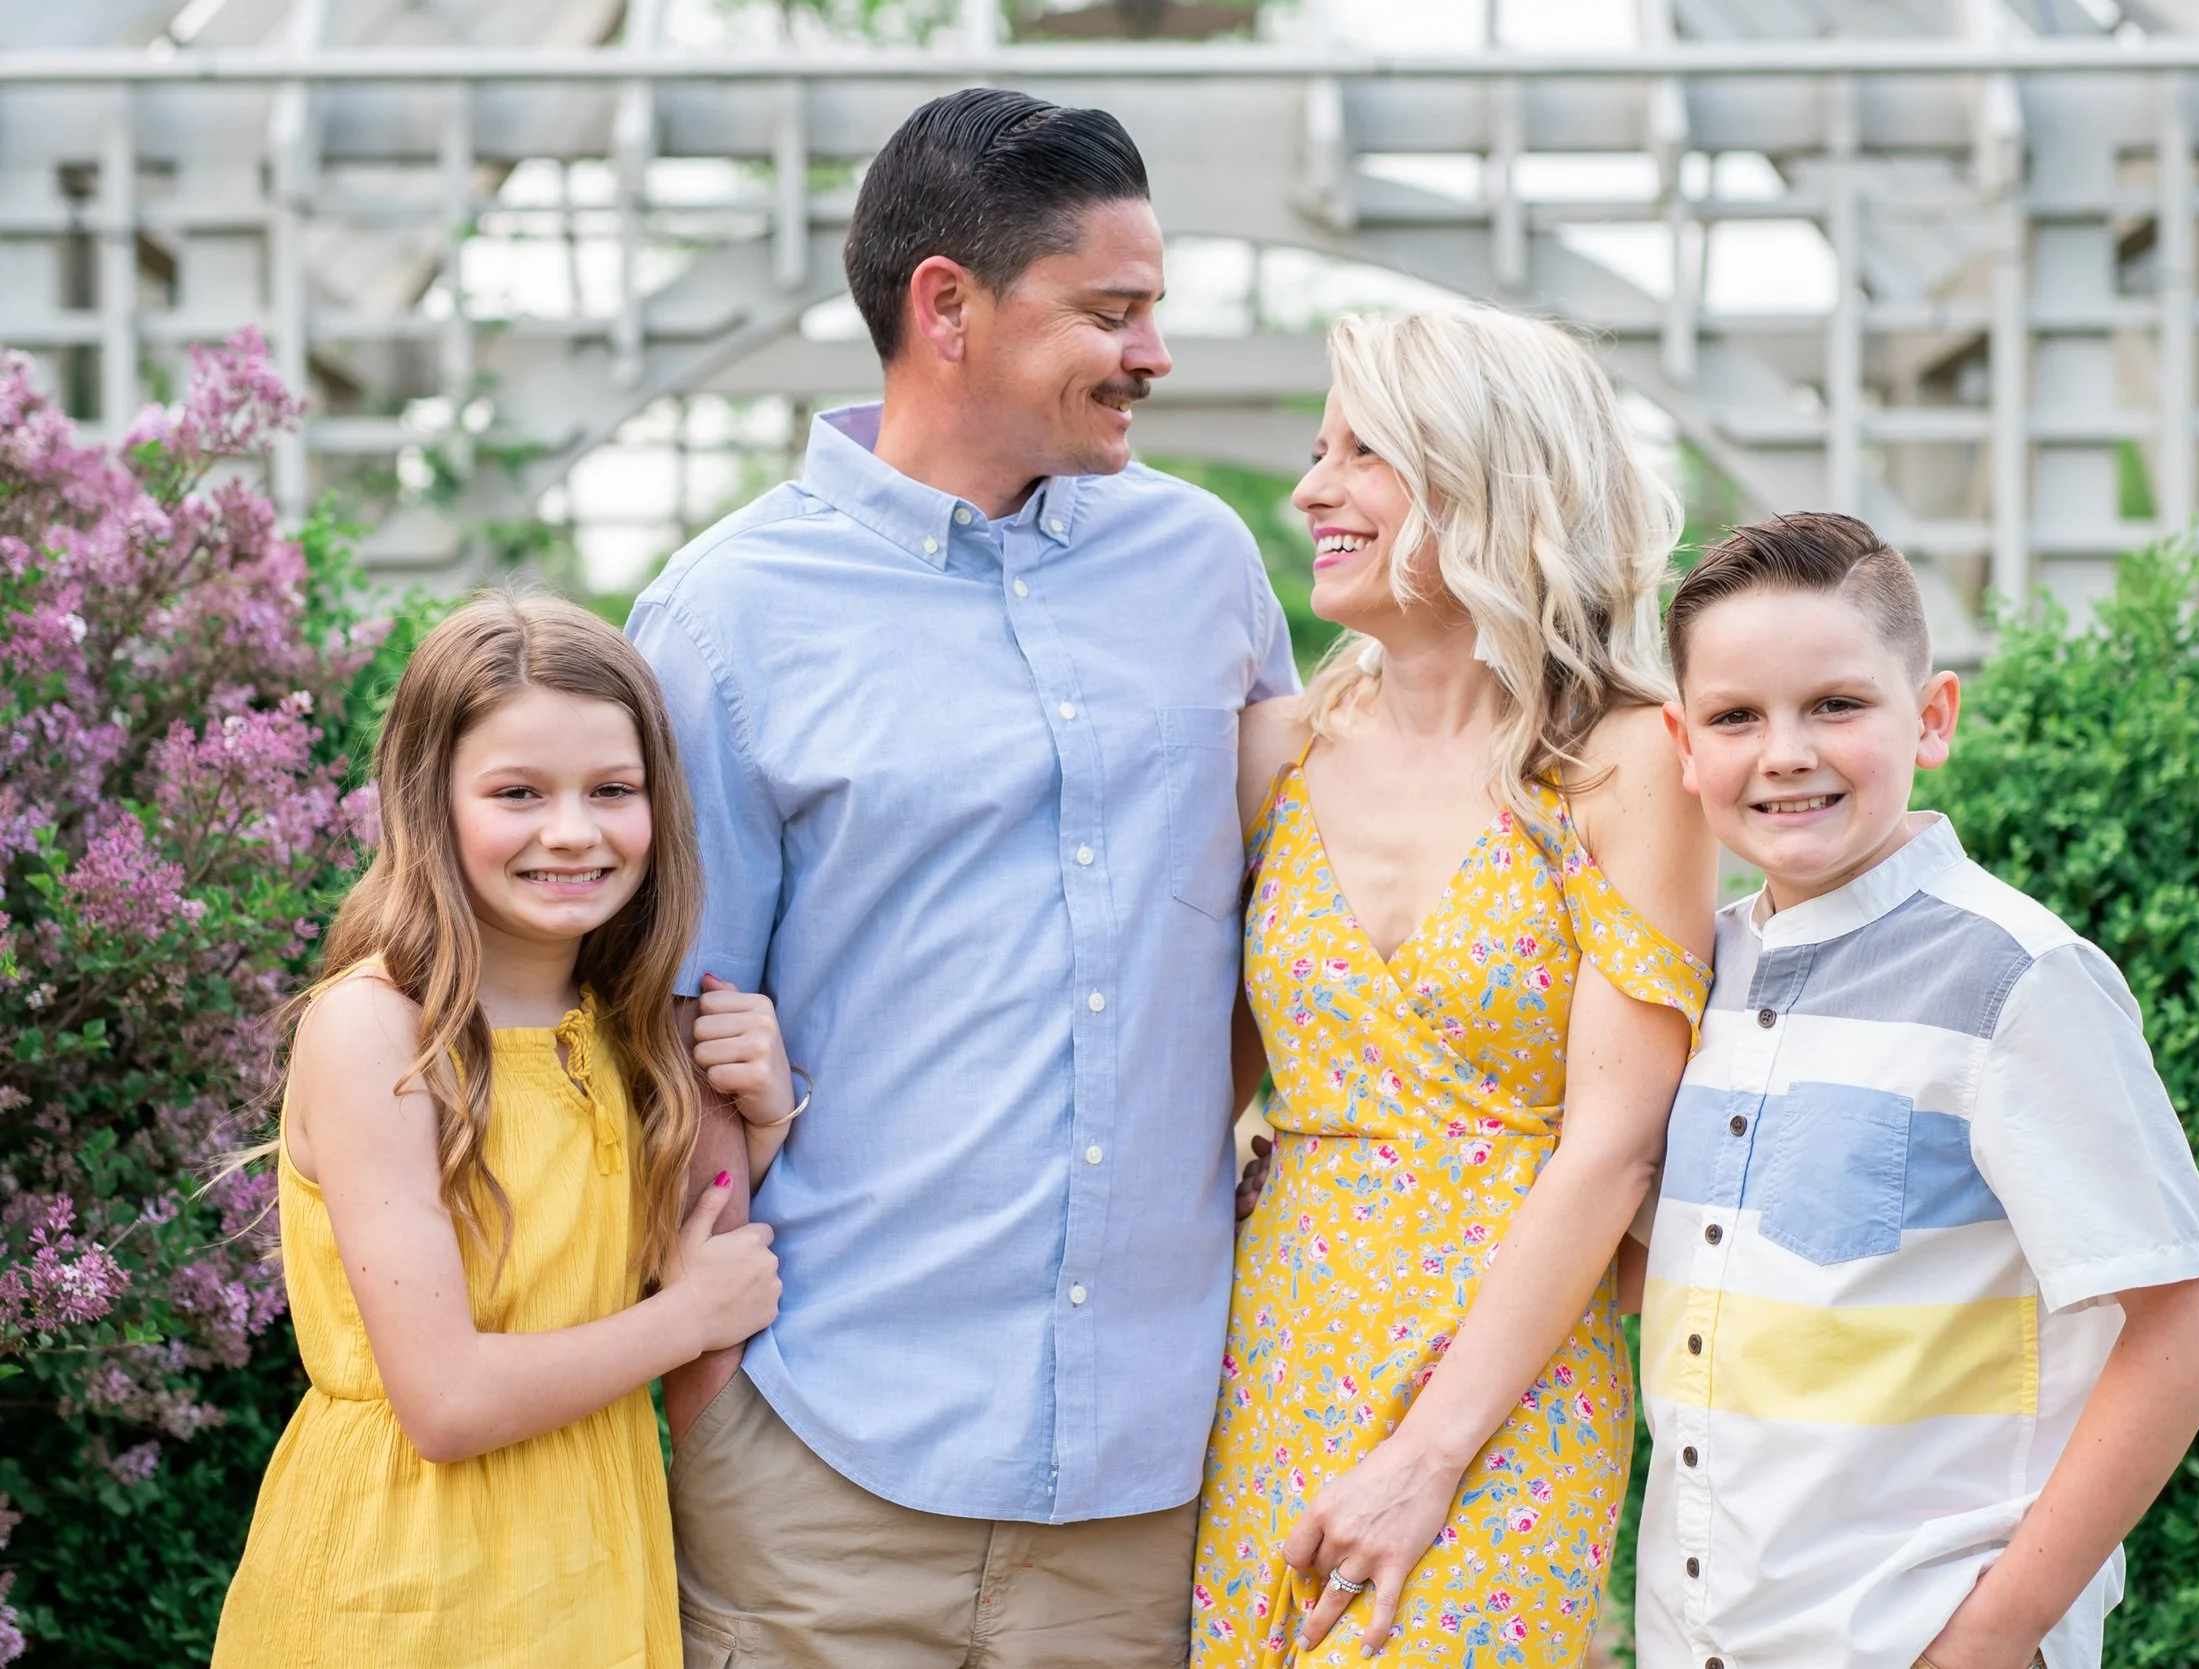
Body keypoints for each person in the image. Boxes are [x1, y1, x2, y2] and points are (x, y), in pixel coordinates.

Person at [624, 87, 1298, 1668]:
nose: (1155, 354)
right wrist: (713, 1389)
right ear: (948, 305)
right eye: (1111, 311)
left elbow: (1297, 917)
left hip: (1148, 1478)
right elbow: (673, 1024)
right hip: (823, 1457)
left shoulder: (1206, 566)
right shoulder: (725, 618)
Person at [1193, 307, 1719, 1668]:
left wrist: (1428, 1456)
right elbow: (1187, 1076)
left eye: (1362, 452)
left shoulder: (1625, 766)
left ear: (1489, 474)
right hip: (1275, 1344)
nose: (1310, 490)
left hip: (1509, 1381)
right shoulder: (1271, 754)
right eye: (1320, 450)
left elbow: (1612, 1150)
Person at [1632, 513, 2199, 1669]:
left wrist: (1988, 1638)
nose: (1783, 752)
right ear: (1680, 741)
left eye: (1835, 705)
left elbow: (2192, 1318)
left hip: (1911, 1641)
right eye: (1734, 717)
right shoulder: (1693, 981)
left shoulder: (2016, 976)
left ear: (1931, 717)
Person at [211, 594, 791, 1668]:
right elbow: (446, 1401)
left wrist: (756, 1116)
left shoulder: (625, 1031)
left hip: (589, 1577)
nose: (571, 830)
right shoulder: (379, 1030)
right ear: (432, 803)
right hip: (409, 1587)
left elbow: (613, 1248)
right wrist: (687, 1319)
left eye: (612, 790)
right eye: (518, 792)